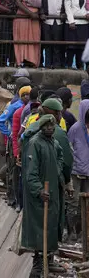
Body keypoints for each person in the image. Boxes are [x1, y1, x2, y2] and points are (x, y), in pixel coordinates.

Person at [21, 114, 63, 278]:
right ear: (42, 127)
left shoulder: (54, 142)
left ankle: (48, 264)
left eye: (52, 126)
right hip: (39, 199)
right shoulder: (35, 144)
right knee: (39, 236)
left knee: (51, 230)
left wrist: (57, 171)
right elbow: (30, 174)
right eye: (47, 126)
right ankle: (37, 270)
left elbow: (60, 157)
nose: (50, 129)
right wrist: (39, 190)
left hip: (52, 195)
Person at [68, 99, 89, 242]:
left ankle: (83, 234)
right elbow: (69, 150)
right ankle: (71, 232)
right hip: (76, 172)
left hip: (88, 174)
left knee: (86, 205)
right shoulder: (75, 129)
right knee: (73, 203)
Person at [13, 0, 42, 68]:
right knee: (22, 39)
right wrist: (30, 13)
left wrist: (37, 14)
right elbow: (18, 2)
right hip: (23, 17)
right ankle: (21, 61)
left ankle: (33, 61)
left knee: (34, 39)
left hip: (34, 19)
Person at [40, 0, 66, 68]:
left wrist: (64, 13)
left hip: (59, 20)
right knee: (47, 44)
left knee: (57, 44)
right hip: (47, 19)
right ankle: (47, 65)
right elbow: (40, 1)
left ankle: (56, 65)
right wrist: (42, 12)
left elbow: (66, 2)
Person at [64, 0, 89, 69]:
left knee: (82, 47)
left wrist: (88, 13)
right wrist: (71, 21)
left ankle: (80, 67)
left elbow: (88, 5)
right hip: (72, 22)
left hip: (84, 22)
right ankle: (69, 67)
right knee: (71, 47)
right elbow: (67, 6)